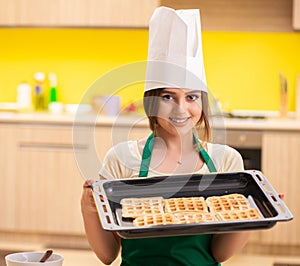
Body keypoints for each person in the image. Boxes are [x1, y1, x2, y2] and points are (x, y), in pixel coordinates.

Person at [81, 6, 251, 266]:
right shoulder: (121, 159)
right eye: (168, 97)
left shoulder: (226, 161)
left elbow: (219, 253)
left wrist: (251, 215)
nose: (181, 109)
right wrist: (89, 208)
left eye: (191, 97)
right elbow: (107, 255)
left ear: (202, 103)